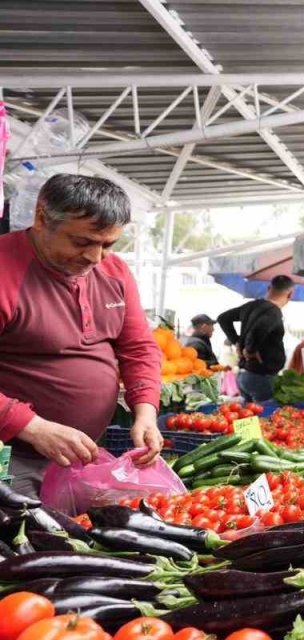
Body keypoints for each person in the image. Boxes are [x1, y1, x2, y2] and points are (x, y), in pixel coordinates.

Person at [0, 174, 164, 497]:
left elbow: (139, 349)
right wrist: (31, 426)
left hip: (82, 454)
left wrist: (146, 412)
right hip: (11, 457)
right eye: (82, 242)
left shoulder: (114, 272)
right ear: (41, 218)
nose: (96, 257)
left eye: (108, 244)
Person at [218, 275, 294, 403]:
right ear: (290, 294)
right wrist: (250, 349)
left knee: (249, 418)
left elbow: (223, 318)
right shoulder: (273, 312)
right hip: (261, 377)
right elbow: (259, 328)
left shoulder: (251, 306)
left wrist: (236, 341)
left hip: (245, 375)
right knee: (264, 418)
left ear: (269, 288)